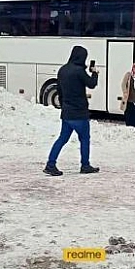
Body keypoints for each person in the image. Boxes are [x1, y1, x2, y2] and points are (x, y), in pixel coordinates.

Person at [44, 46, 100, 176]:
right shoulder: (79, 71)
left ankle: (50, 164)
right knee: (85, 138)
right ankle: (85, 165)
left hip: (67, 112)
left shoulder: (62, 70)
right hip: (79, 113)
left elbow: (59, 90)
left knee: (62, 139)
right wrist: (95, 72)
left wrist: (64, 105)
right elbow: (91, 84)